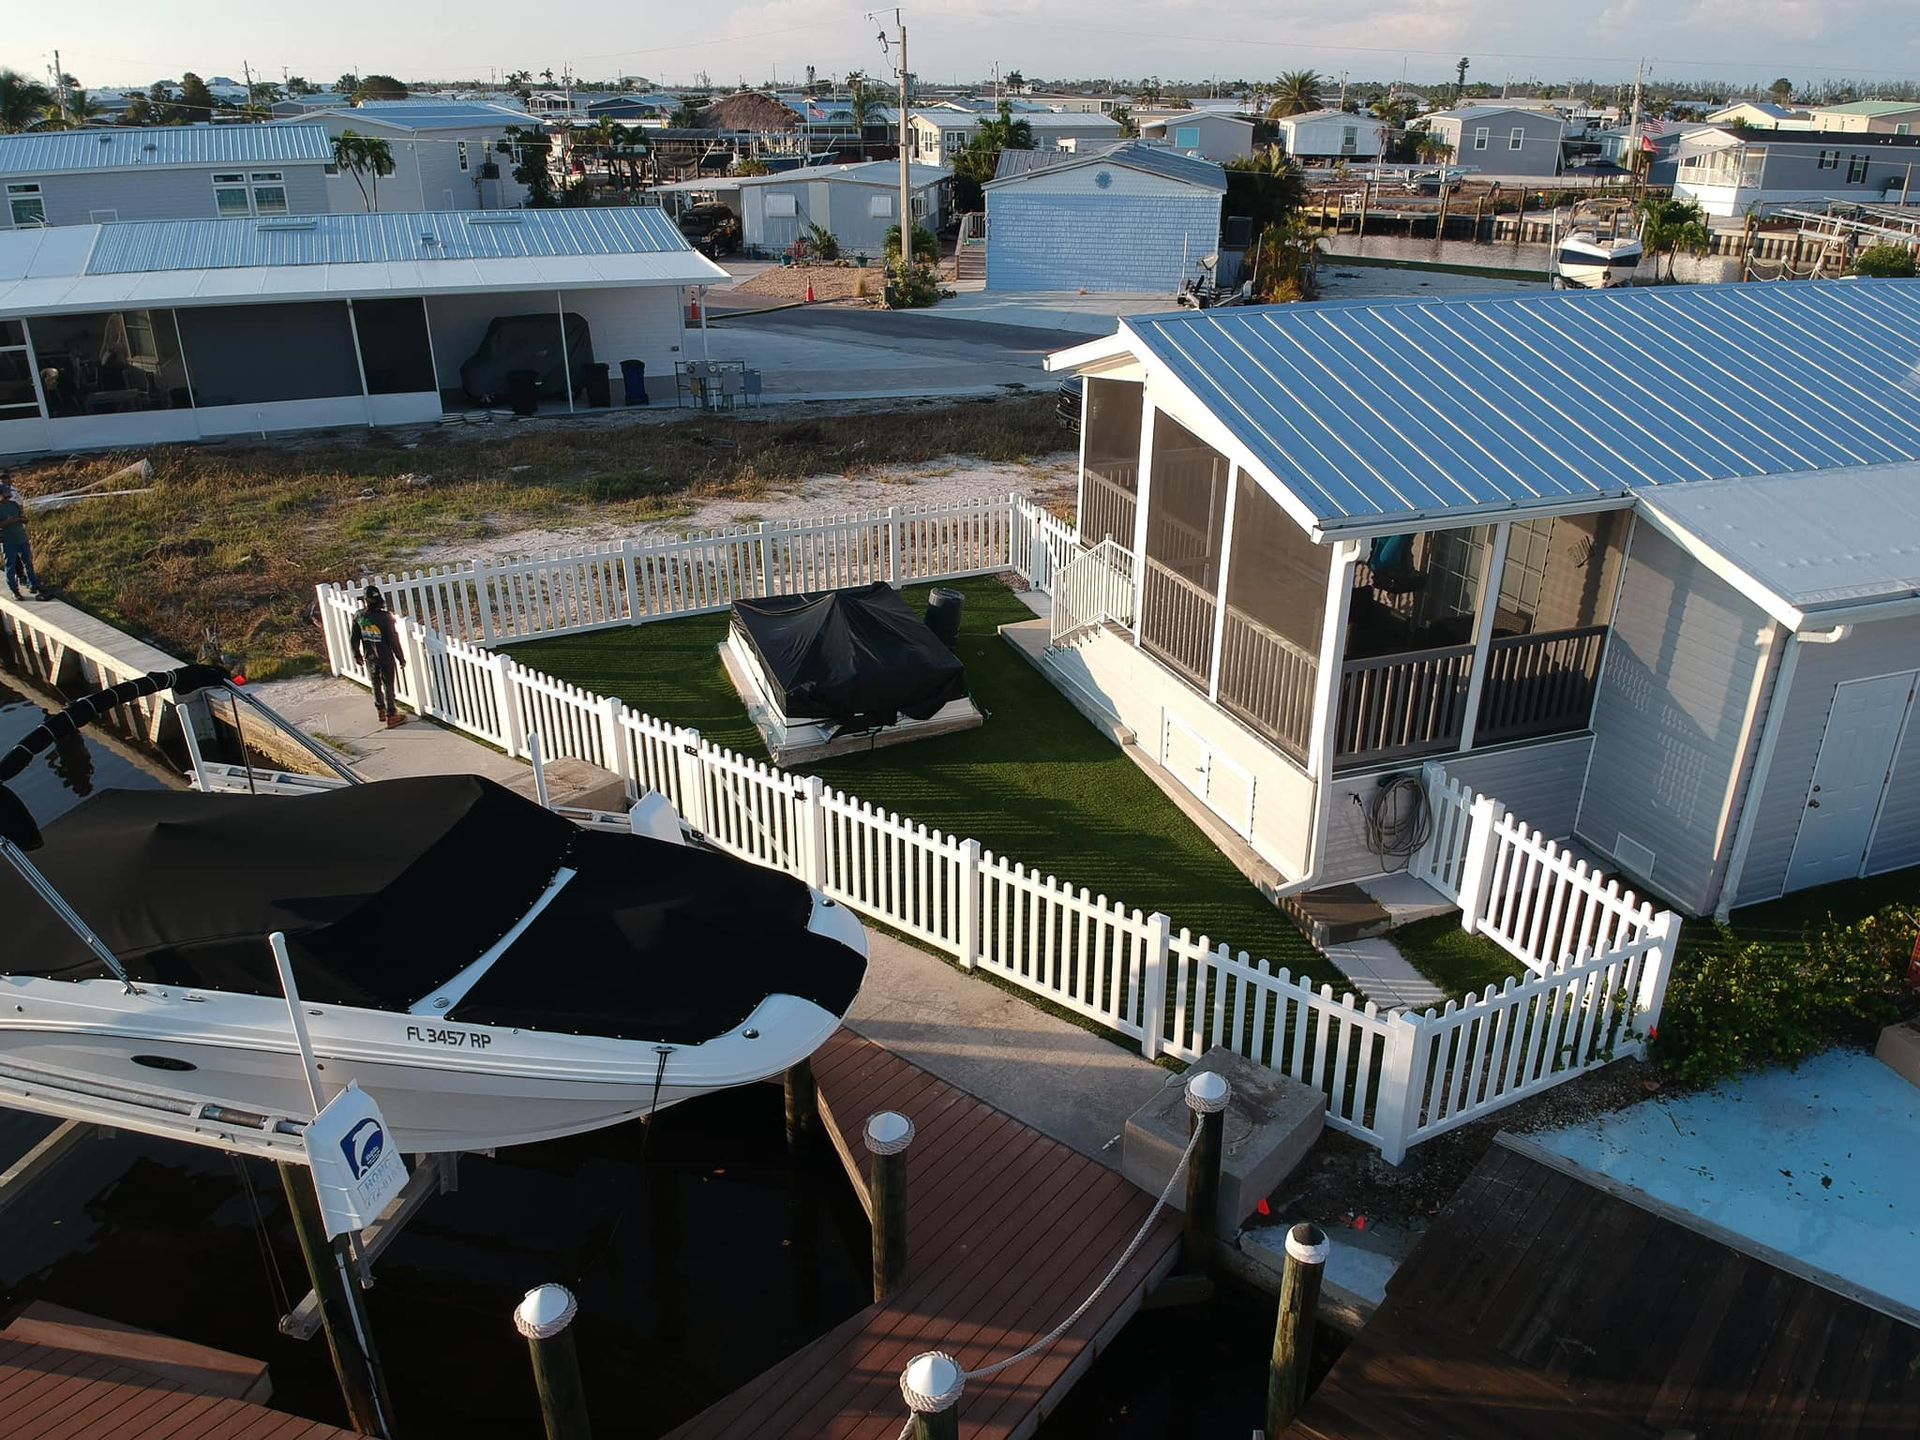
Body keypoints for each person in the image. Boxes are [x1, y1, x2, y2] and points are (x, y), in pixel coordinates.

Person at [355, 584, 407, 727]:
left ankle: (381, 711)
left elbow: (354, 638)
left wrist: (356, 654)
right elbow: (393, 640)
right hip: (385, 658)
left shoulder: (359, 616)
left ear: (366, 600)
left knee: (375, 684)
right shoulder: (385, 617)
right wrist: (400, 657)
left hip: (370, 657)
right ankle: (392, 715)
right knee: (388, 685)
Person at [0, 482, 41, 601]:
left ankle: (33, 585)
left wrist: (22, 519)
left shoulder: (14, 505)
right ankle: (14, 590)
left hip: (21, 538)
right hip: (8, 541)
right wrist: (10, 521)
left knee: (28, 562)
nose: (8, 495)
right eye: (6, 493)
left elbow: (24, 518)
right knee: (10, 566)